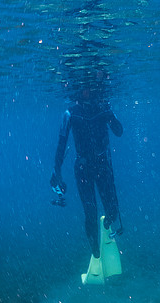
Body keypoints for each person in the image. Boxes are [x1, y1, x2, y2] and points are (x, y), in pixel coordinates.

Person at [50, 91, 124, 283]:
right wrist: (57, 172)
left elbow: (119, 131)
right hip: (83, 169)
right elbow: (61, 143)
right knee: (90, 213)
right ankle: (96, 255)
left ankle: (106, 229)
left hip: (103, 166)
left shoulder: (103, 107)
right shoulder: (70, 113)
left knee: (112, 211)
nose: (88, 93)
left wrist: (109, 113)